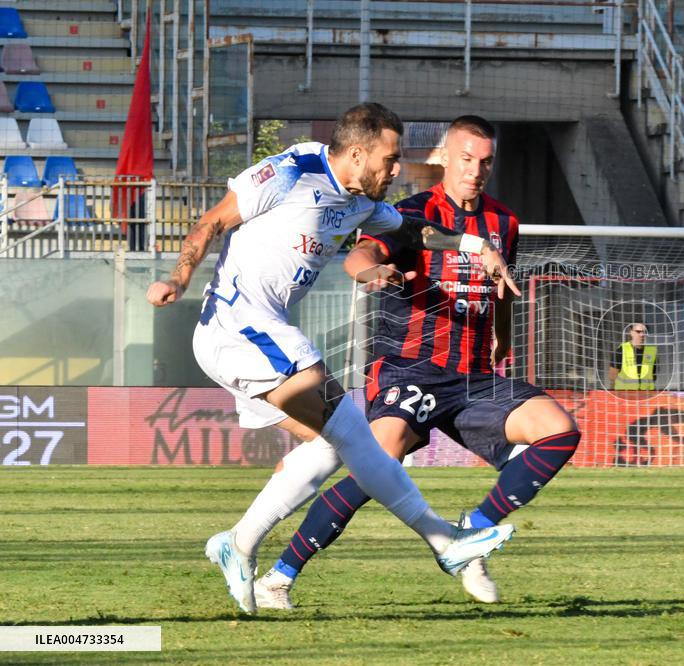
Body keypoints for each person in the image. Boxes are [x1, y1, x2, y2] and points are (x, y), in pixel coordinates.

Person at [145, 103, 520, 614]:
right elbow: (211, 222)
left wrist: (475, 244)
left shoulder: (361, 200)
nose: (395, 171)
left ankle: (241, 542)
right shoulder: (289, 171)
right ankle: (446, 544)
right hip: (237, 327)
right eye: (390, 160)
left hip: (261, 335)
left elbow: (414, 233)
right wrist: (178, 278)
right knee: (352, 428)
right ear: (359, 153)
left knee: (333, 448)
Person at [254, 115, 580, 608]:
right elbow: (357, 257)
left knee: (559, 430)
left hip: (473, 376)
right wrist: (374, 272)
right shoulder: (410, 213)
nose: (476, 170)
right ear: (445, 158)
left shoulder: (504, 222)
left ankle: (472, 534)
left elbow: (503, 287)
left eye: (485, 162)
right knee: (376, 463)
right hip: (410, 367)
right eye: (466, 159)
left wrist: (504, 339)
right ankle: (278, 577)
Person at [608, 322, 657, 390]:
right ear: (631, 333)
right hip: (625, 394)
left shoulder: (651, 351)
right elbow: (612, 375)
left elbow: (653, 375)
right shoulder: (622, 350)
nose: (642, 334)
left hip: (647, 394)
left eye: (644, 332)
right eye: (638, 331)